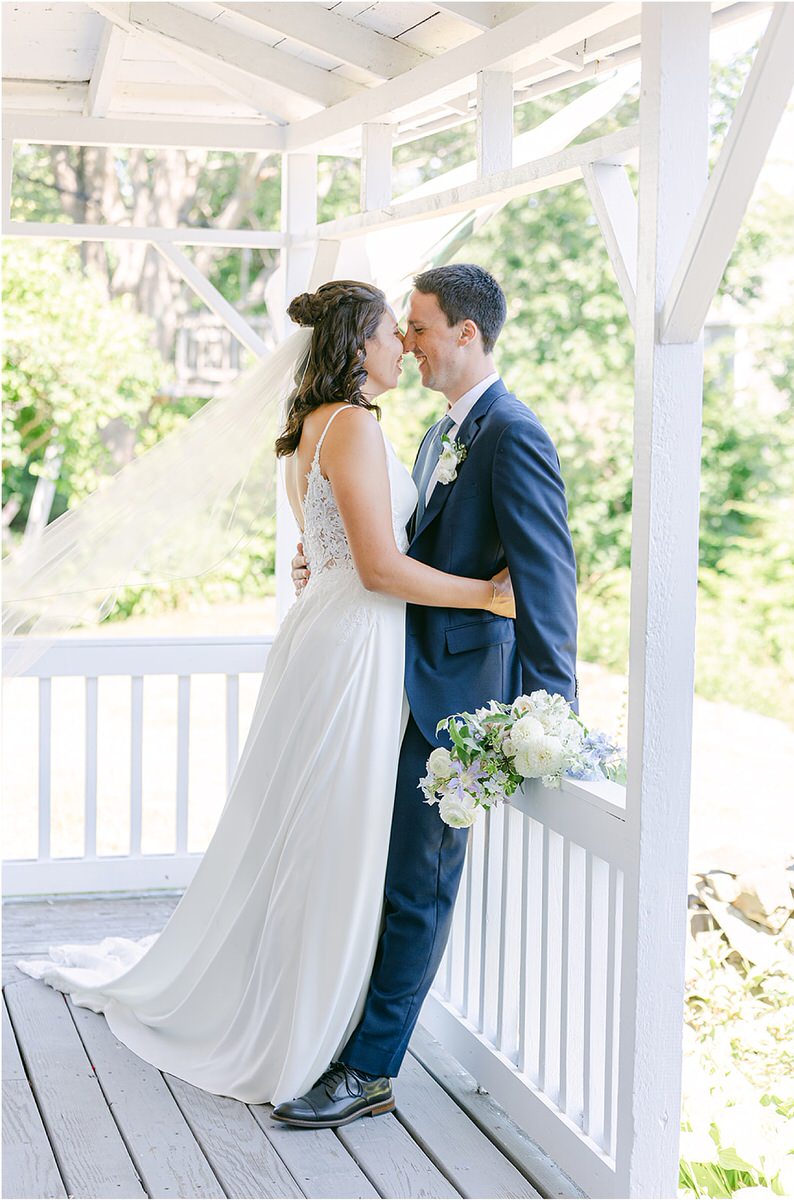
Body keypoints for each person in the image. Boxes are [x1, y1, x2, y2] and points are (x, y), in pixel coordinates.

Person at [14, 279, 515, 1113]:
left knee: (307, 824)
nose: (405, 346)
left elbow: (332, 551)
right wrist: (490, 597)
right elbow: (381, 569)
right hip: (355, 642)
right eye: (394, 333)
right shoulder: (350, 425)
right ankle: (297, 1022)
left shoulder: (315, 427)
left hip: (336, 630)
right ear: (359, 347)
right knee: (328, 831)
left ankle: (311, 1006)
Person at [277, 263, 578, 1128]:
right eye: (399, 327)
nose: (405, 341)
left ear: (465, 334)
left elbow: (544, 583)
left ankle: (369, 1070)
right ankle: (340, 1032)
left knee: (418, 882)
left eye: (417, 326)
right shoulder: (430, 432)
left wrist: (543, 710)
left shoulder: (512, 432)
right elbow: (395, 546)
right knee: (374, 868)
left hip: (461, 700)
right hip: (388, 676)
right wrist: (326, 561)